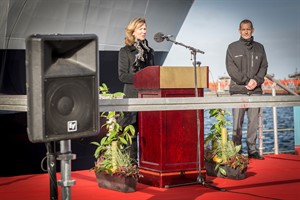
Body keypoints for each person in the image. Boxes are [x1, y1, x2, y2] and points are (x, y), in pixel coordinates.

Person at [225, 19, 268, 160]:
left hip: (255, 91)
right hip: (238, 90)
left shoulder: (260, 48)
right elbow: (231, 68)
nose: (246, 31)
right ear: (239, 30)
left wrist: (256, 80)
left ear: (252, 30)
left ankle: (252, 150)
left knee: (253, 122)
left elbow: (264, 67)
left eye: (248, 29)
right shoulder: (232, 48)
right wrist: (246, 81)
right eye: (243, 29)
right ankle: (237, 151)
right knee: (237, 123)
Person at [118, 17, 155, 161]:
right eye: (141, 29)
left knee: (148, 136)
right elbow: (122, 76)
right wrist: (142, 78)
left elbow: (154, 74)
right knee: (130, 137)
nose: (144, 31)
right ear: (133, 31)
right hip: (132, 97)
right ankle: (131, 169)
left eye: (145, 28)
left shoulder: (150, 51)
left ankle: (148, 167)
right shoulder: (125, 51)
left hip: (148, 99)